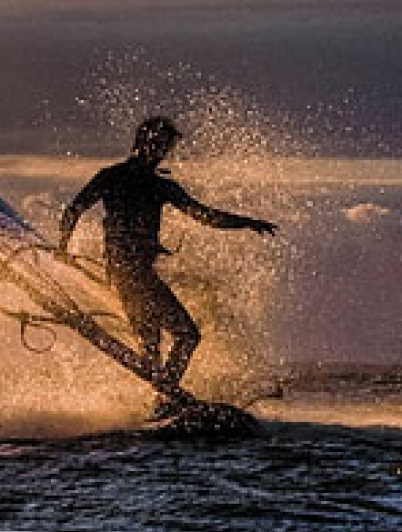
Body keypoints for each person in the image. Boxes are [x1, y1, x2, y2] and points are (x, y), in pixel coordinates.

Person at [58, 116, 277, 397]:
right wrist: (62, 248)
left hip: (131, 274)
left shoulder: (159, 185)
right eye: (157, 145)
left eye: (165, 147)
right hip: (131, 275)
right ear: (141, 143)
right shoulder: (114, 177)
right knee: (187, 336)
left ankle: (158, 401)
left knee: (151, 348)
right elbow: (74, 210)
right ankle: (168, 394)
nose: (160, 152)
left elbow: (204, 215)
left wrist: (245, 222)